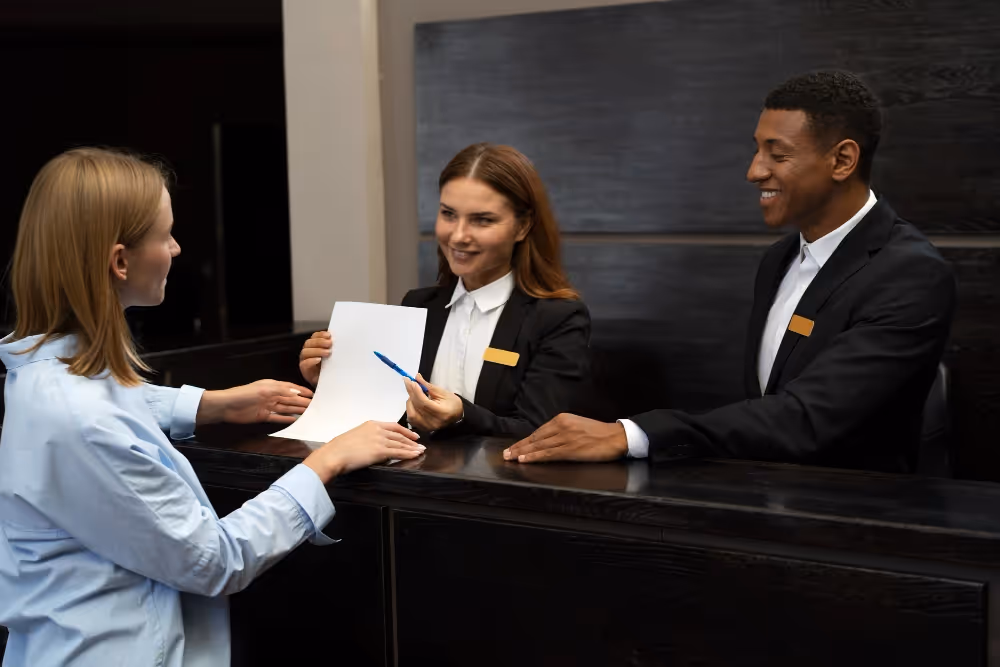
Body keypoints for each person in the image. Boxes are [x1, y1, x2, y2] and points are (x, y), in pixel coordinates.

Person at [0, 148, 425, 667]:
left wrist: (212, 406)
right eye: (165, 235)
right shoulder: (81, 416)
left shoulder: (44, 375)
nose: (177, 249)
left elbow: (109, 404)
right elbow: (215, 559)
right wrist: (328, 460)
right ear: (119, 261)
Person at [505, 71, 956, 473]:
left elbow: (807, 418)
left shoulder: (911, 274)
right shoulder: (778, 260)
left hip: (859, 530)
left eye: (776, 154)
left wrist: (631, 435)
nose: (754, 171)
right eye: (756, 150)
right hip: (766, 506)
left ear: (842, 160)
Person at [300, 143, 591, 440]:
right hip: (411, 478)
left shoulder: (558, 317)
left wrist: (463, 415)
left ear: (522, 227)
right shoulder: (417, 305)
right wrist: (333, 383)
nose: (458, 235)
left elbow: (539, 432)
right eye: (449, 214)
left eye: (482, 220)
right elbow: (390, 414)